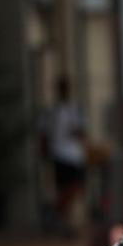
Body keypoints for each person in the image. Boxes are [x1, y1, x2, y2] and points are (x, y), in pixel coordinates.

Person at [40, 75, 87, 235]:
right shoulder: (52, 111)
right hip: (60, 155)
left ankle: (58, 216)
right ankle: (59, 218)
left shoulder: (74, 109)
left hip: (74, 155)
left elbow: (82, 132)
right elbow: (44, 135)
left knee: (74, 188)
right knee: (65, 188)